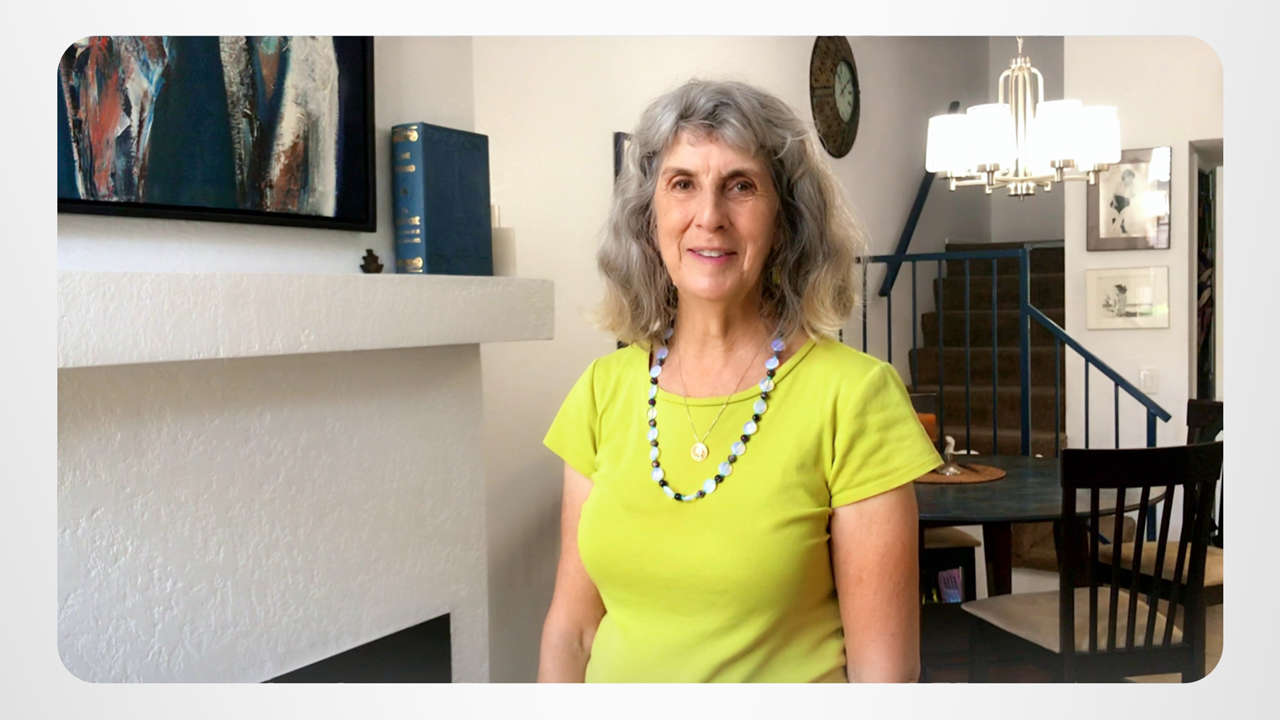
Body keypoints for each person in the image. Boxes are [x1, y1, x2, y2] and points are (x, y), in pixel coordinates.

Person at [539, 79, 942, 683]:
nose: (709, 217)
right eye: (682, 184)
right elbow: (572, 632)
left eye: (741, 186)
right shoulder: (601, 390)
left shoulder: (855, 397)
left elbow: (883, 680)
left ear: (785, 219)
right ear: (649, 217)